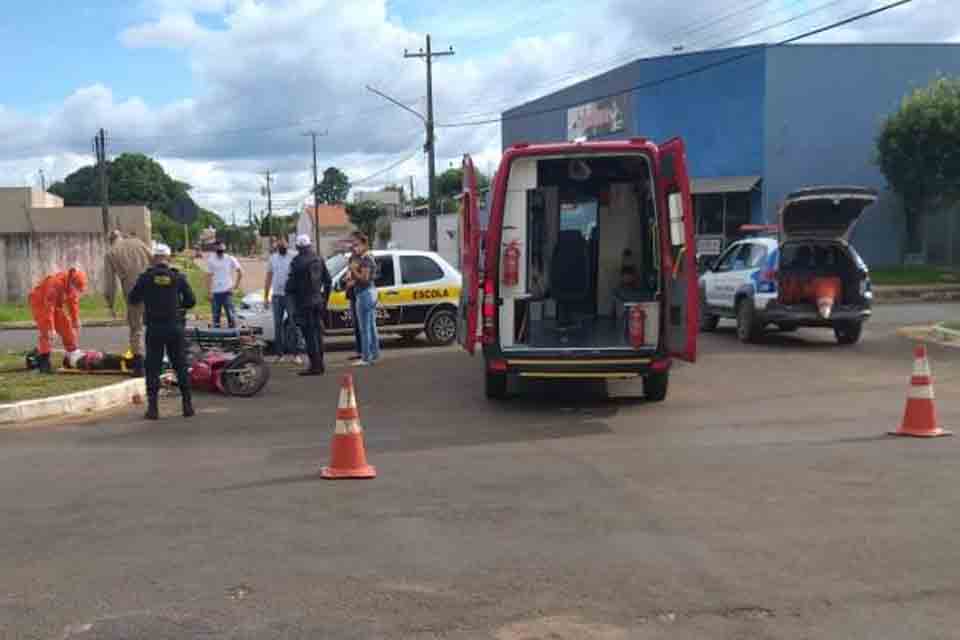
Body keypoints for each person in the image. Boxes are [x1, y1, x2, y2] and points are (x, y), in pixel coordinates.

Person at [128, 243, 197, 420]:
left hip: (154, 329)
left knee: (153, 368)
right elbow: (191, 301)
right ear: (168, 257)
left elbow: (133, 298)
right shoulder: (177, 277)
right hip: (175, 327)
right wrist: (178, 305)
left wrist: (148, 299)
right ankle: (187, 406)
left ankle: (153, 409)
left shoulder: (145, 278)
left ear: (153, 258)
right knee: (180, 365)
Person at [104, 229, 152, 375]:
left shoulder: (111, 253)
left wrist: (110, 303)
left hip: (132, 292)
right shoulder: (138, 243)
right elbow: (155, 260)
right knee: (155, 325)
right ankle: (158, 360)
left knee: (136, 329)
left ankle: (139, 366)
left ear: (110, 241)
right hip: (151, 286)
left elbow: (110, 283)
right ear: (121, 236)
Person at [285, 234, 331, 376]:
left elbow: (290, 287)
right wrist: (324, 300)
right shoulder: (319, 259)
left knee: (309, 336)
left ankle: (315, 367)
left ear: (298, 247)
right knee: (318, 335)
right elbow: (328, 282)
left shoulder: (296, 262)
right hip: (318, 302)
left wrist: (292, 304)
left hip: (304, 304)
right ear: (309, 245)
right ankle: (320, 364)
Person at [29, 267, 88, 374]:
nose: (77, 292)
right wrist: (51, 328)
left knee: (66, 325)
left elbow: (72, 303)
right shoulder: (56, 284)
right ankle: (44, 361)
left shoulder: (71, 287)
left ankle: (72, 352)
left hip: (54, 304)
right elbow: (48, 307)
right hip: (39, 302)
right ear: (72, 283)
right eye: (77, 289)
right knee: (46, 331)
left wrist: (75, 320)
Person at [264, 238, 302, 364]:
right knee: (278, 325)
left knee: (293, 324)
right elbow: (268, 277)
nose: (281, 246)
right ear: (276, 246)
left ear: (287, 244)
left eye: (284, 244)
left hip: (290, 295)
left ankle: (296, 354)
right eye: (279, 244)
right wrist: (266, 296)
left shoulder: (294, 256)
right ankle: (280, 354)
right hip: (276, 296)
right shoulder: (272, 258)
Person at [349, 233, 380, 366]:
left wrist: (353, 271)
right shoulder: (364, 257)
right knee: (371, 326)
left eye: (356, 245)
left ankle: (366, 357)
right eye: (353, 245)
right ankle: (374, 354)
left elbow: (365, 279)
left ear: (364, 244)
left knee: (365, 328)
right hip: (368, 292)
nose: (354, 247)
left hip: (365, 293)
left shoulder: (366, 259)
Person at [205, 242, 243, 328]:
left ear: (224, 250)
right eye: (218, 250)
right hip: (215, 293)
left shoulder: (230, 259)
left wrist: (235, 287)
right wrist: (209, 292)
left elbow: (240, 272)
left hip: (227, 292)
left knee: (231, 317)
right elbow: (208, 276)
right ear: (215, 250)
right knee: (215, 318)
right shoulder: (211, 260)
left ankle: (233, 335)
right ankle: (217, 336)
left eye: (221, 250)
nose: (220, 252)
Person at [342, 231, 364, 361]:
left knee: (362, 326)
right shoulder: (352, 258)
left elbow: (365, 277)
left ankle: (364, 352)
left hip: (360, 293)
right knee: (356, 325)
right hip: (352, 294)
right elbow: (349, 272)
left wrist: (352, 281)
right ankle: (359, 351)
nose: (351, 244)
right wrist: (347, 278)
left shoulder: (362, 257)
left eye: (352, 241)